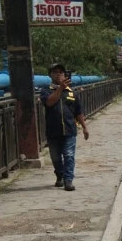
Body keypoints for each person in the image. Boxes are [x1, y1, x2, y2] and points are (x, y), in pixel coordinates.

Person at [40, 63, 89, 191]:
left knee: (69, 154)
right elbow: (50, 102)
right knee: (55, 157)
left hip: (69, 129)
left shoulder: (72, 92)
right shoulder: (45, 90)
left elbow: (78, 111)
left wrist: (84, 127)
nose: (59, 74)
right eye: (55, 72)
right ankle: (60, 175)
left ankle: (68, 180)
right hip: (53, 130)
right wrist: (60, 89)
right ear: (50, 75)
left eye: (61, 72)